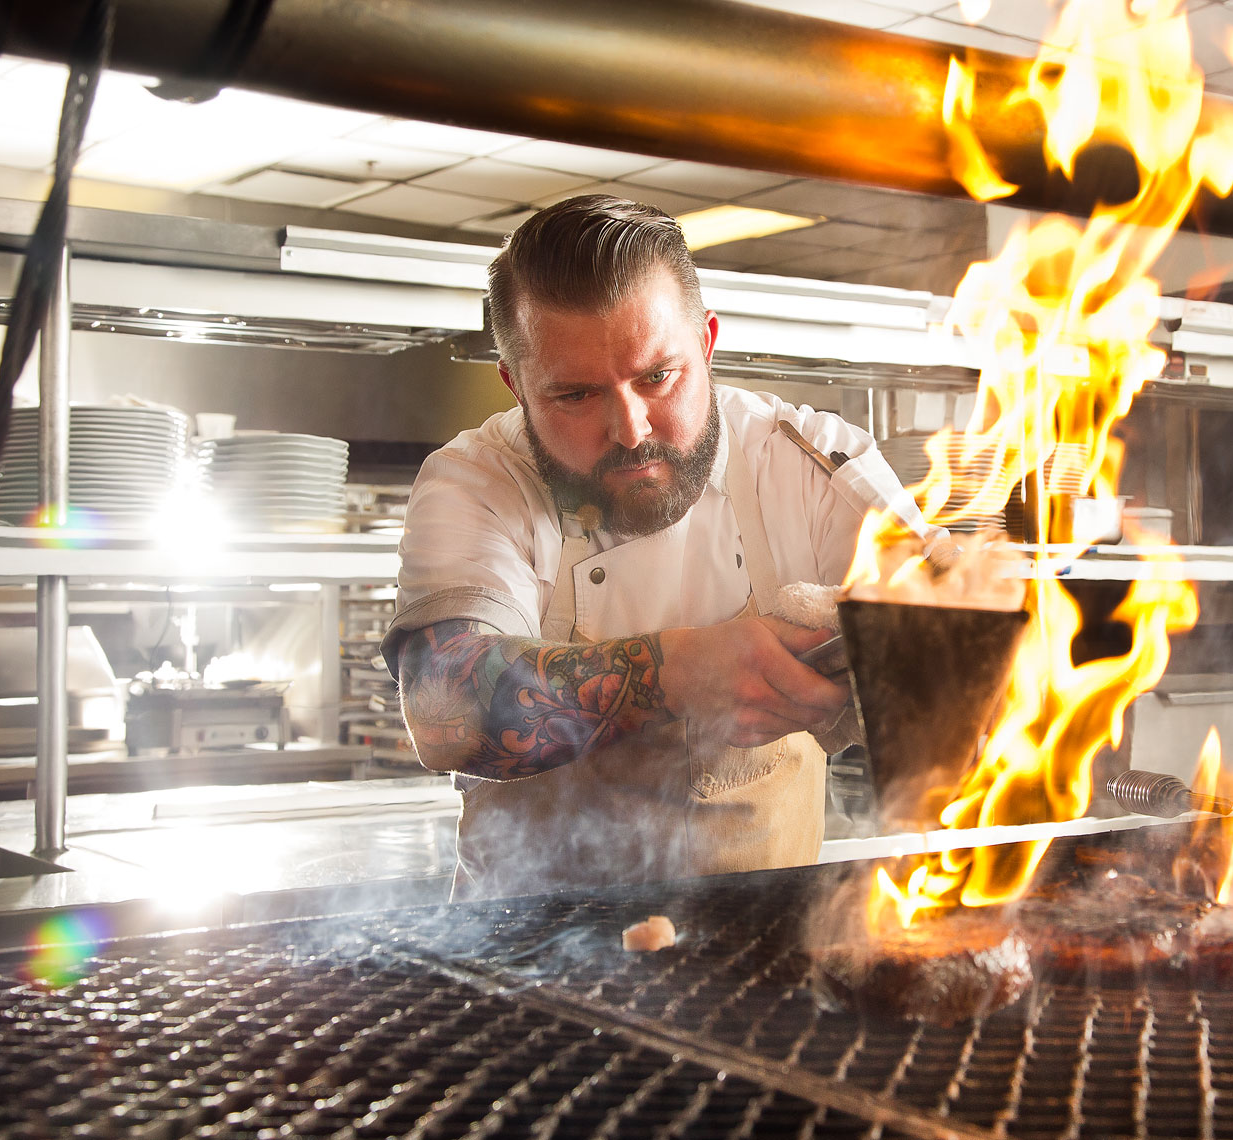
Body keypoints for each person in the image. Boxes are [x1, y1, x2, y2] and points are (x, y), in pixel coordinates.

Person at [382, 194, 940, 899]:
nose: (631, 429)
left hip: (763, 940)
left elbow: (948, 640)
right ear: (516, 386)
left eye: (656, 377)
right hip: (527, 945)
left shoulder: (809, 462)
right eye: (575, 396)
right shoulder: (477, 482)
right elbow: (445, 715)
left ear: (706, 343)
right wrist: (680, 672)